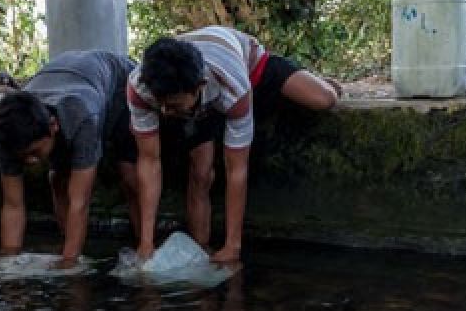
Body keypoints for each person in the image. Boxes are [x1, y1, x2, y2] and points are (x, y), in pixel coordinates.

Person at [126, 25, 339, 264]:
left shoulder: (233, 86)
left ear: (199, 87)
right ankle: (201, 246)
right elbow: (149, 161)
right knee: (201, 172)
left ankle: (319, 80)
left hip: (249, 65)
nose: (164, 112)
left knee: (323, 99)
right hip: (200, 103)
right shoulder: (140, 86)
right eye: (161, 103)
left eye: (172, 105)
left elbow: (236, 169)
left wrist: (233, 246)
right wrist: (146, 243)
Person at [0, 49, 139, 267]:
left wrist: (69, 264)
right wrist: (8, 260)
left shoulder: (82, 118)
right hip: (68, 79)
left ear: (53, 126)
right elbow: (13, 204)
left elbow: (80, 202)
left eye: (35, 153)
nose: (31, 162)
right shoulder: (7, 133)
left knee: (128, 172)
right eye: (23, 157)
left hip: (119, 82)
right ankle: (66, 240)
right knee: (57, 178)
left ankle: (144, 243)